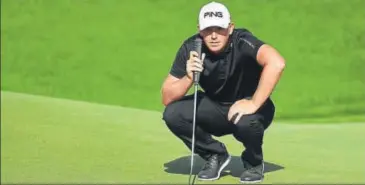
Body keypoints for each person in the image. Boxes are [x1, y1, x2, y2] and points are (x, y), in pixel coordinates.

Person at [161, 1, 286, 183]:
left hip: (252, 109)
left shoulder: (242, 41)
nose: (213, 36)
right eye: (207, 30)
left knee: (246, 123)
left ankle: (253, 163)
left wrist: (253, 103)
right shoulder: (191, 47)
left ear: (230, 28)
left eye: (219, 29)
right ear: (199, 30)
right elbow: (167, 97)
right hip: (215, 108)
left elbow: (277, 63)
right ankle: (215, 155)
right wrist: (189, 77)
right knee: (172, 114)